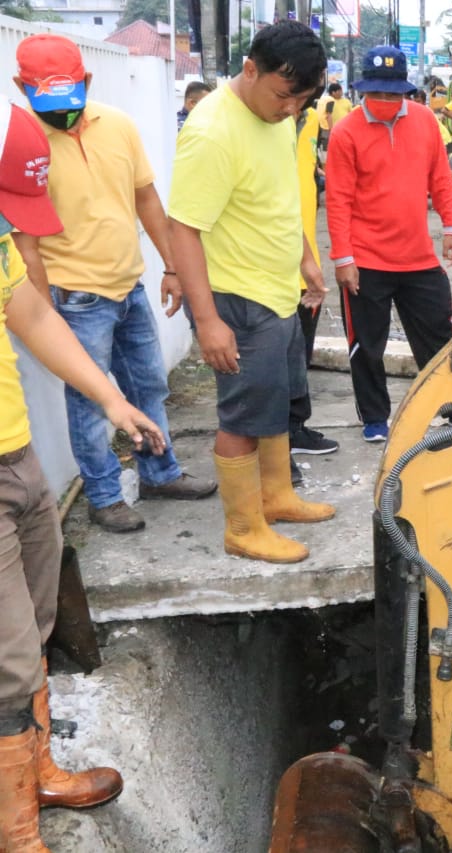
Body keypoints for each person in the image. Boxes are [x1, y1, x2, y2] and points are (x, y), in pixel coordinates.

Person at [0, 99, 165, 853]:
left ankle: (37, 772)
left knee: (32, 627)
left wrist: (113, 399)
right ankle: (18, 832)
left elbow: (30, 312)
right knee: (4, 656)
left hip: (17, 456)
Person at [12, 33, 217, 534]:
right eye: (47, 102)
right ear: (21, 86)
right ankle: (104, 496)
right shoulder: (24, 147)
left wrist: (172, 267)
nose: (61, 114)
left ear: (86, 80)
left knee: (149, 387)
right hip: (74, 300)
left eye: (71, 99)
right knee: (89, 403)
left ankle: (159, 473)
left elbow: (146, 199)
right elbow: (25, 243)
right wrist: (46, 314)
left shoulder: (119, 126)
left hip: (130, 287)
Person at [168, 20, 336, 564]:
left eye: (303, 100)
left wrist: (307, 258)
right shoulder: (213, 130)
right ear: (250, 69)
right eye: (285, 96)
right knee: (243, 416)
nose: (291, 109)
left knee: (277, 403)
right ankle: (243, 527)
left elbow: (281, 192)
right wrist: (208, 320)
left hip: (278, 287)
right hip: (236, 298)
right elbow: (184, 229)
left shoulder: (277, 115)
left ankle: (276, 496)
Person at [325, 46, 452, 443]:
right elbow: (338, 199)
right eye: (376, 94)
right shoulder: (346, 132)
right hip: (365, 260)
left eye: (392, 94)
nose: (384, 102)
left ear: (406, 92)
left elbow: (440, 177)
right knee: (367, 346)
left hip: (418, 258)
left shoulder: (423, 121)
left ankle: (451, 411)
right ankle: (374, 418)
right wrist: (343, 257)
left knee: (438, 339)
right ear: (363, 90)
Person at [288, 98, 338, 468]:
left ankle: (294, 428)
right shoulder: (265, 130)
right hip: (274, 271)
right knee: (279, 362)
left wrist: (310, 261)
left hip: (304, 264)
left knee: (300, 355)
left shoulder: (306, 124)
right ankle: (281, 440)